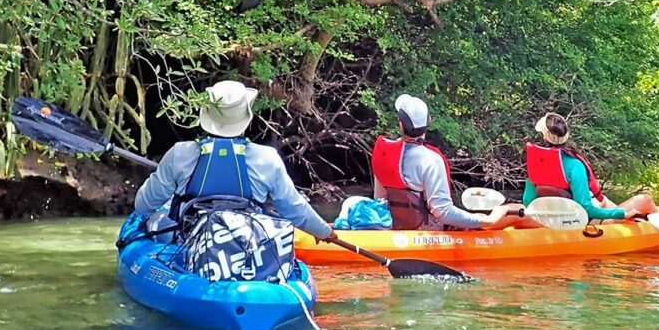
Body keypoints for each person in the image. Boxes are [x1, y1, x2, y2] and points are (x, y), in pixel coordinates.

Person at [134, 80, 335, 242]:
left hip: (189, 242)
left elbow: (144, 206)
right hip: (248, 245)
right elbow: (294, 209)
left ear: (207, 114)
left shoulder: (179, 154)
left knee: (156, 220)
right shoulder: (267, 159)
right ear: (246, 118)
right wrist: (323, 231)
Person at [372, 94, 528, 231]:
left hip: (394, 224)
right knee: (516, 210)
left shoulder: (384, 152)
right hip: (427, 228)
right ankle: (548, 233)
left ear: (400, 124)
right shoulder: (430, 160)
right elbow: (443, 212)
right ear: (429, 121)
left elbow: (380, 200)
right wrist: (488, 220)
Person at [524, 113, 657, 222]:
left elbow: (527, 202)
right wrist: (620, 214)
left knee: (604, 201)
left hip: (550, 219)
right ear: (566, 136)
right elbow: (586, 209)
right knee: (645, 199)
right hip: (581, 222)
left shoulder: (535, 163)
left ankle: (640, 219)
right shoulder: (574, 165)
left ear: (543, 135)